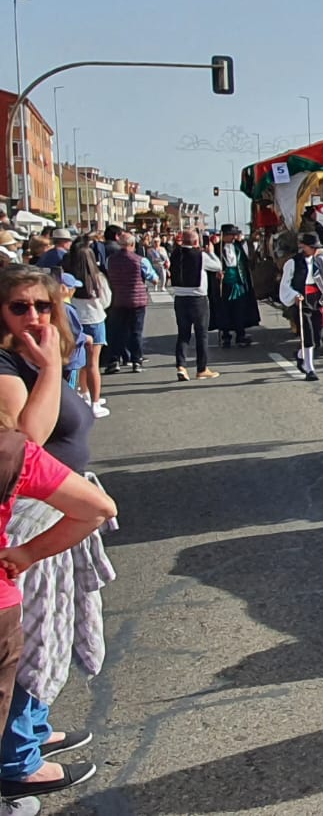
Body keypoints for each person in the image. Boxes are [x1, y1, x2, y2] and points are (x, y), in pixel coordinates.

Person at [0, 265, 119, 803]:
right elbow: (25, 442)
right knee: (30, 643)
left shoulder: (40, 358)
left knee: (54, 632)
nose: (33, 317)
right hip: (28, 514)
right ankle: (17, 757)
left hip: (57, 510)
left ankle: (31, 730)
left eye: (42, 307)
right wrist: (49, 370)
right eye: (19, 307)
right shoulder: (8, 367)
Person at [61, 243, 110, 419]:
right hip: (95, 319)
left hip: (72, 320)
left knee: (78, 361)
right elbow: (106, 300)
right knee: (93, 364)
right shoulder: (98, 278)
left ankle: (84, 393)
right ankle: (95, 402)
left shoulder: (66, 278)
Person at [168, 231, 222, 381]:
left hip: (180, 298)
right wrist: (211, 252)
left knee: (183, 334)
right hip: (197, 298)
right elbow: (217, 266)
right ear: (196, 242)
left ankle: (181, 366)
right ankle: (202, 368)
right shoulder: (200, 256)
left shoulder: (175, 254)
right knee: (201, 334)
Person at [278, 234, 323, 382]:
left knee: (318, 336)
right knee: (307, 334)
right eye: (312, 247)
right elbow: (285, 284)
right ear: (304, 247)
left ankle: (300, 355)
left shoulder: (320, 262)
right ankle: (310, 369)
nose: (315, 251)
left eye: (316, 248)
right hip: (302, 301)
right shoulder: (293, 263)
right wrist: (294, 295)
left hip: (317, 300)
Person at [103, 228, 149, 374]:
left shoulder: (110, 259)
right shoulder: (140, 260)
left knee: (117, 331)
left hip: (118, 299)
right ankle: (136, 361)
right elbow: (152, 277)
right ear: (132, 245)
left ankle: (114, 360)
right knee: (136, 331)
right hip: (137, 301)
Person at [209, 224, 260, 349]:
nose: (233, 237)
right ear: (224, 236)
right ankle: (226, 336)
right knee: (224, 310)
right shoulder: (217, 249)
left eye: (234, 235)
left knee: (240, 309)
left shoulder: (238, 247)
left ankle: (240, 335)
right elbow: (209, 267)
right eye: (231, 235)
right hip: (224, 285)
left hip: (239, 283)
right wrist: (216, 276)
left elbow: (246, 262)